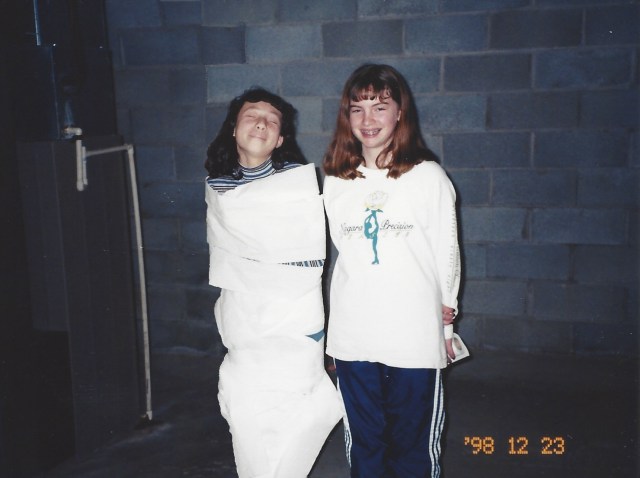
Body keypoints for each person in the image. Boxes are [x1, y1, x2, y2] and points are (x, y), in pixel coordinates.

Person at [322, 64, 461, 477]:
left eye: (380, 107)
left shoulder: (427, 176)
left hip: (413, 335)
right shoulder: (335, 181)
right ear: (346, 116)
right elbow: (342, 255)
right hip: (354, 337)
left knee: (412, 446)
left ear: (400, 113)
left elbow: (446, 251)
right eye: (357, 108)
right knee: (364, 443)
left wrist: (447, 321)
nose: (368, 120)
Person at [204, 87, 343, 478]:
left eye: (272, 119)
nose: (261, 122)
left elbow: (307, 260)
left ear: (280, 138)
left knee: (298, 411)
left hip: (294, 321)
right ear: (234, 128)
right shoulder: (218, 189)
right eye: (251, 114)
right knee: (244, 412)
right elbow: (229, 266)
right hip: (245, 324)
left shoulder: (298, 187)